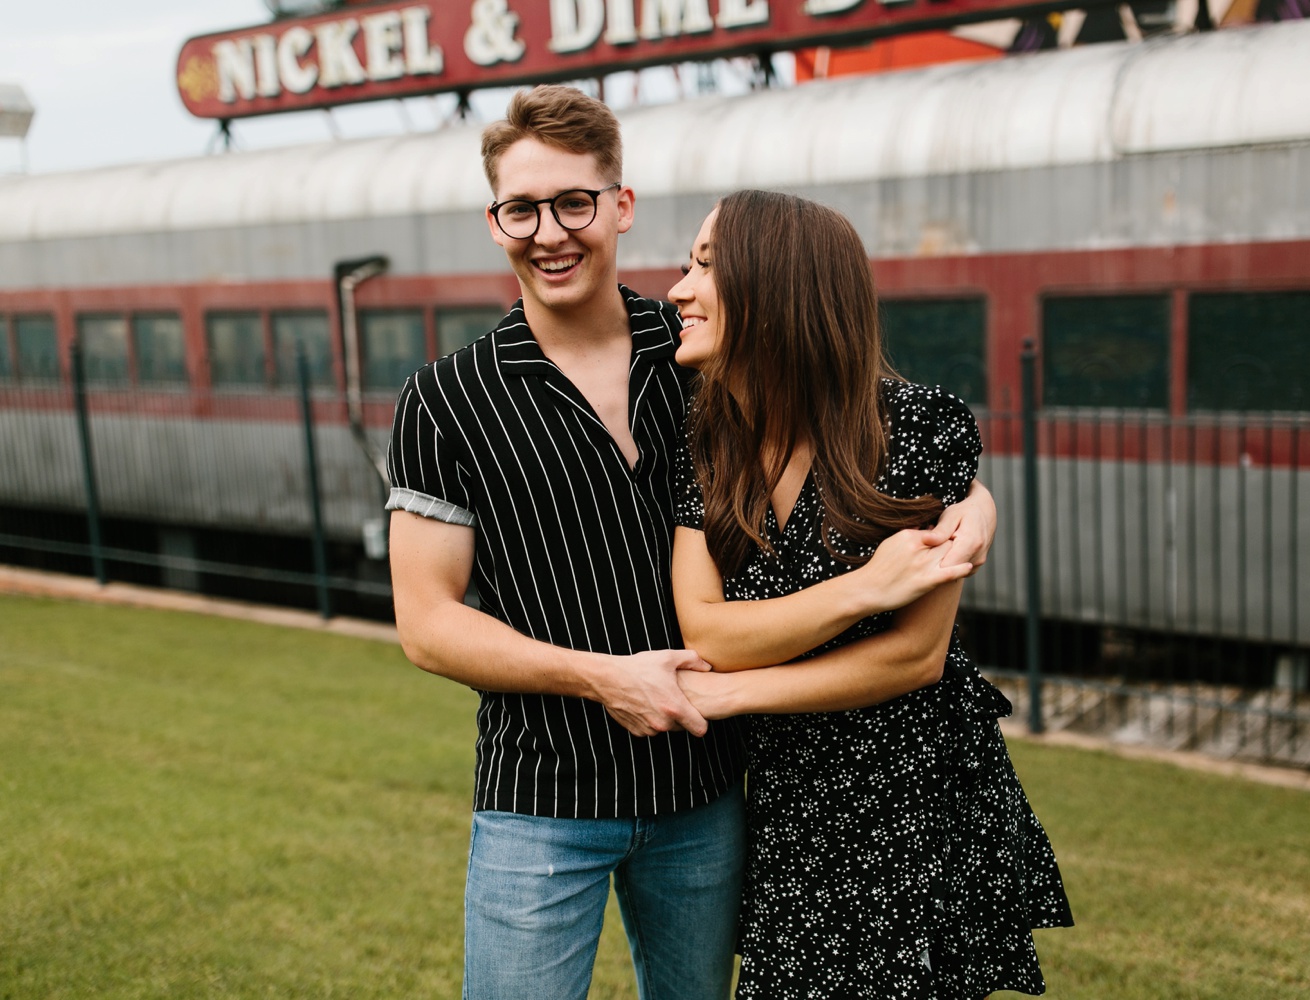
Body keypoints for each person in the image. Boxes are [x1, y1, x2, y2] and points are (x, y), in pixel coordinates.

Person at [384, 86, 998, 1000]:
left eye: (574, 203)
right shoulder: (445, 400)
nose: (549, 231)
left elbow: (851, 419)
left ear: (620, 207)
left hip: (706, 789)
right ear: (494, 220)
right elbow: (427, 625)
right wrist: (601, 676)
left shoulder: (704, 344)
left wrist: (974, 503)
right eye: (522, 208)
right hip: (540, 798)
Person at [665, 190, 1073, 999]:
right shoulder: (708, 441)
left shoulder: (919, 429)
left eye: (704, 266)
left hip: (914, 799)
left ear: (774, 288)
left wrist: (740, 691)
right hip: (791, 808)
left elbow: (916, 656)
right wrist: (868, 588)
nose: (678, 288)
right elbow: (705, 630)